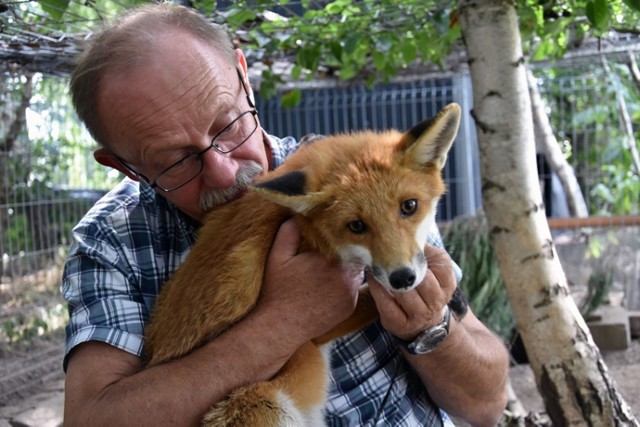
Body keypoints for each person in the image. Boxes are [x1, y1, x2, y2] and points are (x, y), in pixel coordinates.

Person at [61, 4, 509, 426]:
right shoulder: (110, 242)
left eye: (228, 125)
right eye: (175, 160)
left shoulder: (364, 174)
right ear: (125, 167)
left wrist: (430, 326)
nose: (224, 172)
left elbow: (487, 404)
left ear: (244, 76)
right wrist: (285, 321)